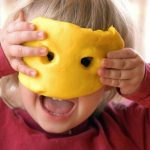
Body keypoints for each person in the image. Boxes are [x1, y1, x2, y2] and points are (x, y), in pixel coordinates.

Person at [0, 0, 150, 149]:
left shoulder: (128, 128)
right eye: (48, 56)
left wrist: (144, 82)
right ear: (16, 60)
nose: (61, 80)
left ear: (113, 79)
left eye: (86, 61)